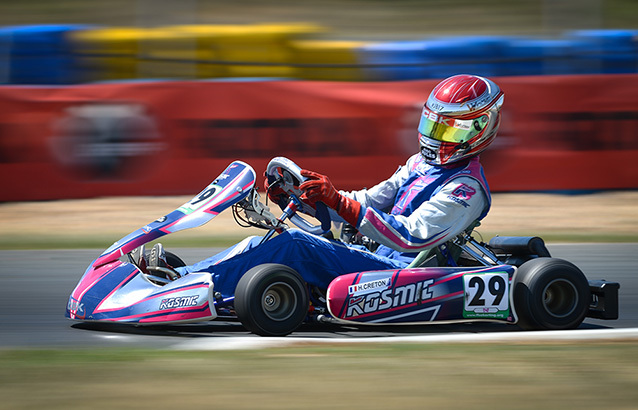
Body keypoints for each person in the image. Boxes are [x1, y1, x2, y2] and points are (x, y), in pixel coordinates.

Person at [151, 74, 504, 301]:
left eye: (451, 130)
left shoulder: (465, 187)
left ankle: (182, 292)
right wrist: (309, 195)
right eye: (435, 125)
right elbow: (367, 202)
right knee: (261, 242)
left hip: (402, 276)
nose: (437, 137)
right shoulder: (418, 165)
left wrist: (340, 204)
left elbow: (412, 237)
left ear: (479, 129)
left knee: (294, 246)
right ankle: (179, 278)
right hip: (371, 259)